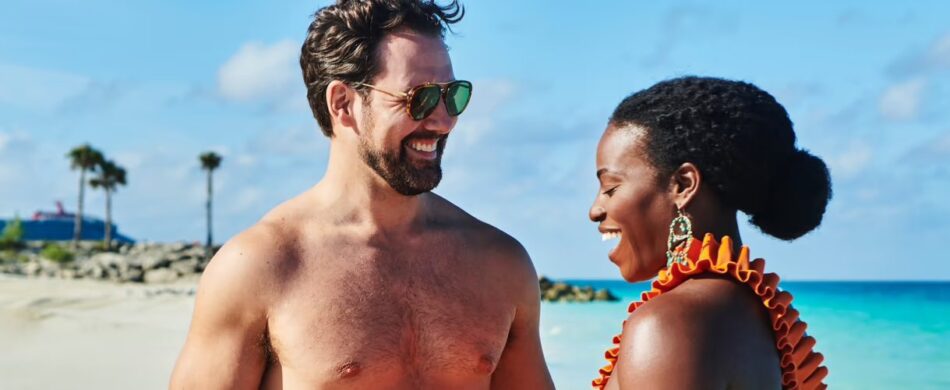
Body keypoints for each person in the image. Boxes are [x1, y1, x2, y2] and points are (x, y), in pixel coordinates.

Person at [170, 1, 554, 388]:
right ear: (343, 104)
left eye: (451, 95)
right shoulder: (260, 267)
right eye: (418, 97)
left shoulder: (499, 266)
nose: (443, 119)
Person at [588, 76, 831, 390]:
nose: (595, 209)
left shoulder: (670, 325)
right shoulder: (756, 315)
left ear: (683, 185)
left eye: (611, 188)